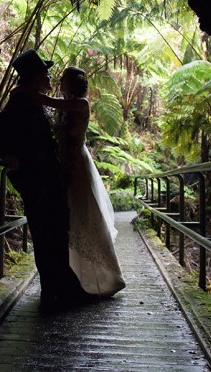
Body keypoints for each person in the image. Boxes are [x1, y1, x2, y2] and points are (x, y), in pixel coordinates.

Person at [0, 49, 92, 312]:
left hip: (48, 179)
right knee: (46, 233)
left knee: (55, 233)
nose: (50, 77)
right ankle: (55, 290)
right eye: (46, 73)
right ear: (35, 77)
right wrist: (9, 156)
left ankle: (60, 288)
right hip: (37, 181)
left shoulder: (31, 99)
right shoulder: (21, 101)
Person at [35, 66, 126, 297]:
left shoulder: (81, 104)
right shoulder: (66, 107)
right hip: (63, 164)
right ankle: (74, 278)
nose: (59, 81)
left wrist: (28, 93)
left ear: (74, 83)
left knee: (83, 218)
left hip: (77, 165)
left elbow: (53, 103)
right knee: (69, 220)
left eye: (63, 79)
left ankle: (105, 278)